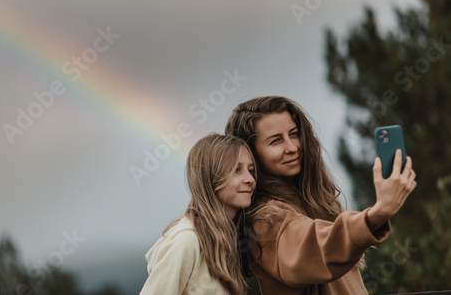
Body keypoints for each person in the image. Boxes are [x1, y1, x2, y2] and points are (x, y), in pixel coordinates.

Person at [224, 96, 417, 295]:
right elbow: (320, 247)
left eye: (294, 134)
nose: (292, 147)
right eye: (276, 141)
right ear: (251, 155)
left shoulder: (310, 202)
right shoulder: (265, 222)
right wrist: (377, 213)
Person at [140, 133, 257, 295]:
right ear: (210, 177)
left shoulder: (227, 240)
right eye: (236, 170)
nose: (250, 179)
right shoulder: (187, 240)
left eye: (251, 170)